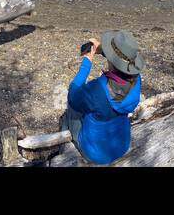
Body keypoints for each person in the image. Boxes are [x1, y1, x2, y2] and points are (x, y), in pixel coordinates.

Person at [62, 29, 144, 164]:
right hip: (121, 145)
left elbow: (73, 94)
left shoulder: (97, 90)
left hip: (95, 153)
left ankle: (64, 137)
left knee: (72, 109)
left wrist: (87, 61)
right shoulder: (136, 79)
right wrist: (101, 50)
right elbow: (121, 65)